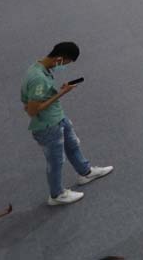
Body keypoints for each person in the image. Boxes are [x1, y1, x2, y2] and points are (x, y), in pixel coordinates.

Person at [21, 41, 113, 206]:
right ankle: (57, 195)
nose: (64, 66)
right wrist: (62, 93)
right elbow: (33, 110)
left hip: (58, 117)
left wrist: (58, 92)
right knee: (56, 161)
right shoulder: (38, 79)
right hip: (48, 126)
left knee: (72, 145)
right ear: (59, 58)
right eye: (65, 63)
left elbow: (34, 99)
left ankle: (85, 172)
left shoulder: (40, 67)